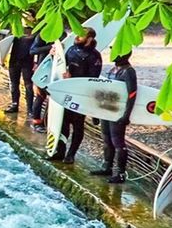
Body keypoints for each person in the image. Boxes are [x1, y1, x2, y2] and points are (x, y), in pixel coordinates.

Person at [50, 28, 102, 164]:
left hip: (82, 94)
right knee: (63, 123)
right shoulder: (72, 50)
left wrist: (72, 78)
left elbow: (93, 79)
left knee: (78, 124)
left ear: (89, 39)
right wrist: (54, 56)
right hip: (67, 91)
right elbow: (61, 66)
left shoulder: (95, 56)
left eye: (81, 35)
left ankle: (71, 154)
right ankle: (60, 151)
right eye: (77, 34)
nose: (77, 37)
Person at [91, 51, 137, 183]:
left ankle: (121, 173)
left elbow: (132, 94)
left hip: (118, 112)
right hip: (106, 109)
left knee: (118, 142)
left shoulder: (128, 71)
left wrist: (126, 115)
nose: (113, 54)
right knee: (106, 139)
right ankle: (107, 166)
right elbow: (104, 91)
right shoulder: (113, 69)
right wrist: (96, 112)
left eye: (116, 52)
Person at [4, 27, 39, 115]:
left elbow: (37, 49)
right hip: (14, 60)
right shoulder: (16, 29)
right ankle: (14, 104)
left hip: (27, 61)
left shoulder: (36, 33)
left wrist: (37, 62)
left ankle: (29, 109)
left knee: (28, 85)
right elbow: (5, 43)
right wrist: (2, 57)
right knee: (14, 84)